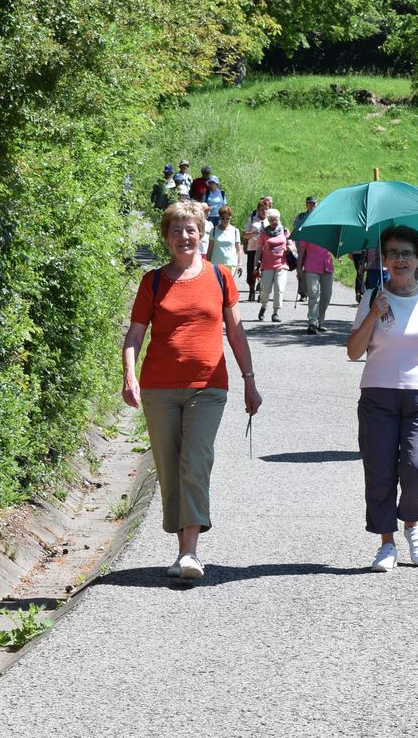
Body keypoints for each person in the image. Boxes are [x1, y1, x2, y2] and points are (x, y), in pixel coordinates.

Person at [121, 201, 262, 580]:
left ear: (203, 235)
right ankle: (181, 546)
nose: (185, 237)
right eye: (177, 231)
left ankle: (190, 552)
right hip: (159, 387)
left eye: (192, 230)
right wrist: (129, 377)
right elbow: (135, 334)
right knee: (169, 467)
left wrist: (250, 380)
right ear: (167, 238)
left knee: (195, 460)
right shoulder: (152, 281)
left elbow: (235, 332)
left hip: (208, 387)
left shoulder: (220, 276)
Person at [346, 226, 418, 572]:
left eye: (407, 253)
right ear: (386, 259)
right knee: (379, 470)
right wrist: (372, 315)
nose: (400, 259)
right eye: (393, 253)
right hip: (378, 395)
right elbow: (353, 352)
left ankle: (413, 523)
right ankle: (386, 543)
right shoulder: (373, 297)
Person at [256, 208, 295, 322]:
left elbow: (292, 244)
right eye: (272, 220)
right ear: (268, 220)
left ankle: (276, 312)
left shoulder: (284, 230)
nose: (275, 221)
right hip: (267, 264)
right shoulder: (264, 233)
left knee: (279, 288)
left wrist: (290, 248)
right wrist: (255, 265)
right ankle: (263, 306)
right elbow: (259, 249)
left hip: (281, 264)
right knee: (265, 290)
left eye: (276, 219)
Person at [299, 236, 334, 333]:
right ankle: (312, 322)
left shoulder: (330, 232)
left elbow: (335, 248)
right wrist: (299, 269)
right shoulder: (308, 232)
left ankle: (320, 321)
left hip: (327, 267)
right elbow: (301, 252)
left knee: (326, 296)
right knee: (313, 294)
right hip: (311, 267)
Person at [243, 196, 272, 301]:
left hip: (266, 250)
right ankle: (251, 290)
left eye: (266, 209)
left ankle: (261, 291)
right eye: (261, 209)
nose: (264, 211)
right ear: (258, 210)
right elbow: (245, 234)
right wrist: (253, 233)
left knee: (264, 271)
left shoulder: (270, 220)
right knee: (251, 270)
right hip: (253, 248)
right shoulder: (252, 219)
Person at [206, 205, 243, 282]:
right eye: (223, 218)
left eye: (227, 218)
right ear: (219, 218)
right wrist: (208, 264)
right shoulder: (214, 231)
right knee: (218, 287)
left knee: (227, 286)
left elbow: (238, 249)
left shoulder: (235, 231)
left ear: (230, 217)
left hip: (231, 263)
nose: (225, 220)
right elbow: (210, 249)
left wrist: (239, 264)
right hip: (216, 264)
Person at [291, 195, 317, 300]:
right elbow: (295, 230)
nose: (312, 206)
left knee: (311, 268)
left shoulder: (319, 216)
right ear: (306, 204)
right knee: (300, 267)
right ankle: (302, 292)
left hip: (314, 246)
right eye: (310, 203)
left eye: (314, 204)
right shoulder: (301, 216)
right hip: (301, 245)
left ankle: (311, 290)